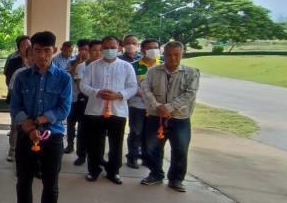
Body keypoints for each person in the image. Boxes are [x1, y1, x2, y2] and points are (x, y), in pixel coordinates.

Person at [9, 31, 72, 203]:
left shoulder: (64, 78)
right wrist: (29, 128)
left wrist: (38, 122)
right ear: (31, 52)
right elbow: (15, 106)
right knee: (23, 181)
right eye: (37, 51)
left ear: (54, 51)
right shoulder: (22, 77)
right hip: (26, 136)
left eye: (47, 51)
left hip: (52, 137)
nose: (42, 56)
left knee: (50, 184)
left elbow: (64, 109)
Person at [140, 41, 200, 192]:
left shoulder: (191, 72)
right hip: (156, 116)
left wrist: (169, 107)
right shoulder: (153, 72)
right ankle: (155, 174)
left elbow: (190, 94)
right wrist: (157, 106)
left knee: (180, 149)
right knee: (153, 147)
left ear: (182, 54)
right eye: (168, 55)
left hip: (179, 118)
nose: (172, 58)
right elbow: (146, 90)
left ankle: (176, 179)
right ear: (163, 54)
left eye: (176, 54)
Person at [80, 36, 138, 184]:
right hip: (95, 111)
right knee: (94, 144)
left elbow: (132, 87)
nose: (109, 50)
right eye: (105, 47)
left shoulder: (126, 66)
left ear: (119, 48)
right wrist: (97, 92)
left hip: (117, 111)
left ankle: (113, 172)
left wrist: (119, 95)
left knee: (116, 144)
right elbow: (83, 85)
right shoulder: (92, 66)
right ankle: (94, 170)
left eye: (112, 47)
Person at [126, 38, 161, 169]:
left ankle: (147, 158)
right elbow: (130, 85)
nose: (153, 50)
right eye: (149, 48)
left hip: (155, 107)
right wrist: (142, 94)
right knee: (136, 131)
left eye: (155, 48)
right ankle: (132, 157)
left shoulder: (162, 65)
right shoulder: (133, 66)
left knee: (151, 134)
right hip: (137, 105)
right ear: (142, 50)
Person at [73, 39, 103, 166]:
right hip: (85, 100)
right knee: (83, 129)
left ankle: (98, 157)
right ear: (89, 51)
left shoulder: (106, 66)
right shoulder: (82, 66)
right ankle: (81, 155)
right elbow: (80, 86)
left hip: (102, 102)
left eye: (100, 50)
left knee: (99, 132)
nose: (98, 53)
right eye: (94, 50)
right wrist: (96, 94)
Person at [5, 47, 35, 162]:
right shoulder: (19, 73)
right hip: (20, 109)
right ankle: (12, 151)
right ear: (26, 57)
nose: (34, 57)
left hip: (35, 112)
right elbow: (12, 92)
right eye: (31, 55)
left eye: (35, 54)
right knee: (15, 129)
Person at [65, 40, 90, 156]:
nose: (83, 52)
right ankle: (70, 145)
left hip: (85, 99)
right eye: (81, 49)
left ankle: (82, 149)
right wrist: (78, 63)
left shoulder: (92, 64)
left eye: (85, 49)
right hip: (72, 97)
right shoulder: (71, 62)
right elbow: (70, 73)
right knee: (70, 123)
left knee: (83, 125)